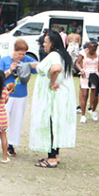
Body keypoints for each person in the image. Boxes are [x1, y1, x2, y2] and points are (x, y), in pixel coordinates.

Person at [30, 29, 76, 168]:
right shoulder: (63, 54)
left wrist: (51, 83)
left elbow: (56, 68)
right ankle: (55, 155)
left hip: (54, 97)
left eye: (45, 42)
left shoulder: (54, 55)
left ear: (53, 43)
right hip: (62, 96)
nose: (43, 44)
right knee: (55, 124)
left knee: (50, 125)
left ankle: (51, 159)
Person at [0, 39, 37, 157]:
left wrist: (27, 65)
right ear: (14, 50)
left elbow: (39, 65)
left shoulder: (26, 59)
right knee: (0, 119)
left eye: (24, 54)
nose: (21, 56)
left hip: (21, 95)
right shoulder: (5, 60)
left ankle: (11, 144)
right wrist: (10, 69)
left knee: (16, 120)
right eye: (19, 54)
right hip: (5, 95)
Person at [76, 41, 99, 123]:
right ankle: (83, 115)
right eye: (91, 50)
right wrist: (81, 70)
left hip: (95, 74)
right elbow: (77, 63)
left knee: (95, 95)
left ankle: (92, 110)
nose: (93, 52)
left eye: (94, 50)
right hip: (85, 75)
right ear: (88, 48)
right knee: (84, 95)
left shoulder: (98, 52)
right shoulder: (83, 53)